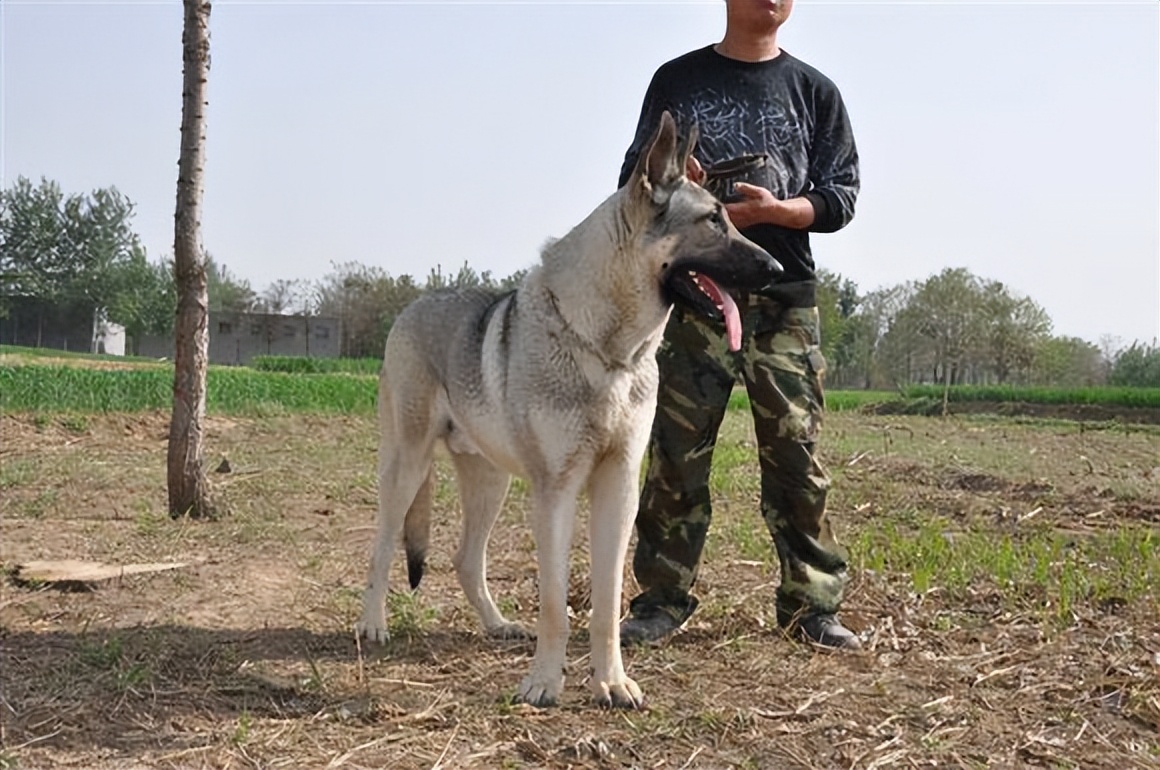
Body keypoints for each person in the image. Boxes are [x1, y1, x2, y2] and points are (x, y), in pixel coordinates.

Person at [616, 0, 862, 650]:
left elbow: (842, 195)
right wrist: (677, 178)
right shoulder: (679, 82)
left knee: (795, 452)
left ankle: (812, 606)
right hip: (694, 295)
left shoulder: (816, 92)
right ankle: (661, 600)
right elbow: (632, 183)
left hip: (784, 297)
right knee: (677, 451)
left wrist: (784, 211)